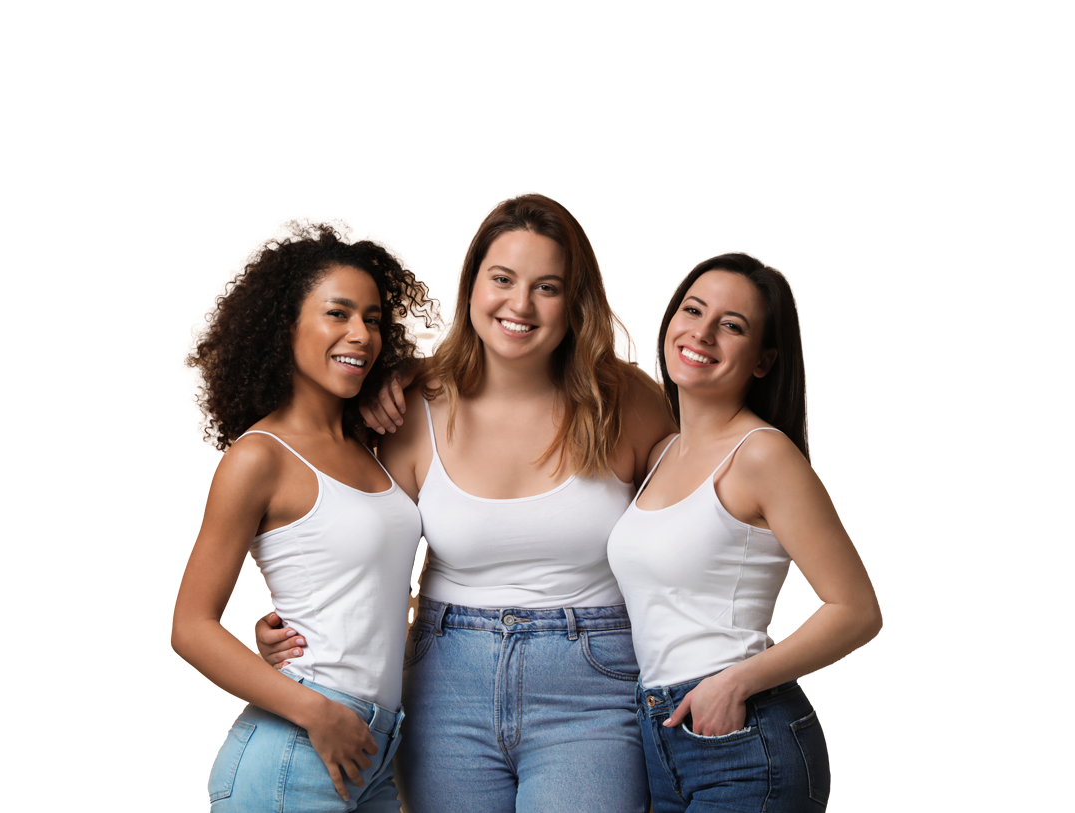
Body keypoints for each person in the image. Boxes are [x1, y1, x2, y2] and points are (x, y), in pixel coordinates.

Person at [257, 193, 674, 813]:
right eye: (502, 279)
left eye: (548, 287)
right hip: (445, 683)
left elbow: (691, 539)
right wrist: (304, 628)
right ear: (472, 284)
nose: (520, 305)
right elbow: (382, 561)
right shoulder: (411, 404)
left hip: (591, 686)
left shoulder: (625, 401)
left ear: (574, 301)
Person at [171, 219, 437, 812]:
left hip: (373, 749)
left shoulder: (372, 447)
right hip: (298, 747)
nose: (360, 335)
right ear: (284, 326)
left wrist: (409, 371)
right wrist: (316, 712)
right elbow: (190, 626)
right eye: (337, 314)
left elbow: (385, 581)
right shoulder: (259, 456)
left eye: (373, 320)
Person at [606, 252, 882, 812]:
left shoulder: (762, 454)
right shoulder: (662, 454)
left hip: (745, 739)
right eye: (693, 310)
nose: (701, 333)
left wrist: (734, 684)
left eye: (731, 326)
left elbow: (855, 608)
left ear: (763, 361)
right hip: (661, 732)